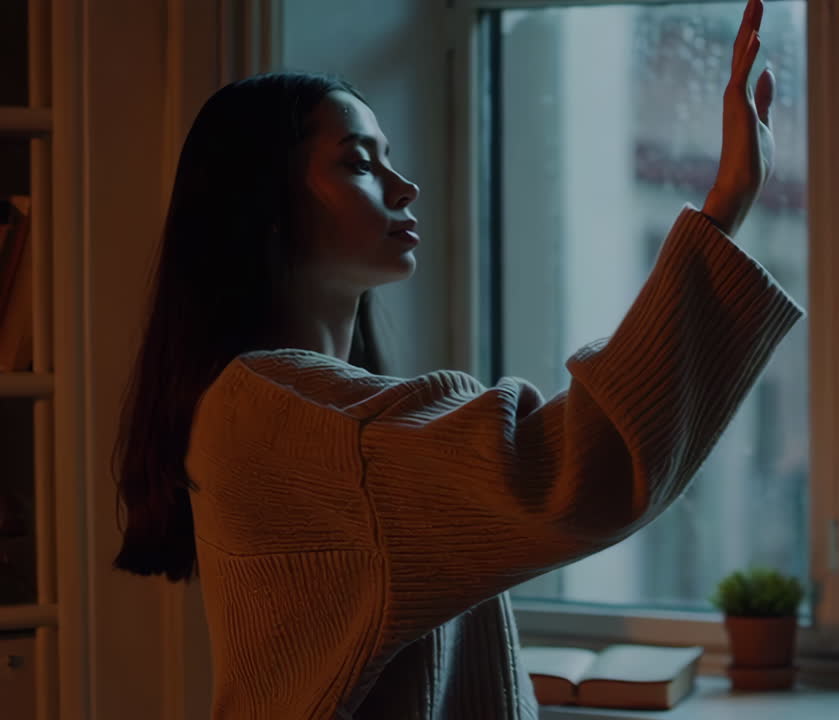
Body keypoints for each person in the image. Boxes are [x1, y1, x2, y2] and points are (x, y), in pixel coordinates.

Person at [111, 1, 801, 717]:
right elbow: (579, 469)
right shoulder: (290, 422)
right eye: (357, 162)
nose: (404, 186)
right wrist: (723, 208)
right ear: (266, 205)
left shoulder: (274, 408)